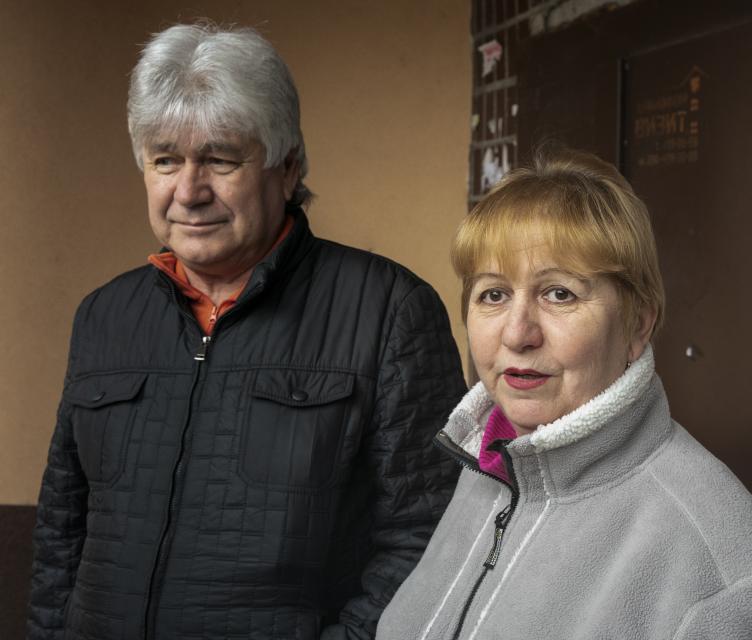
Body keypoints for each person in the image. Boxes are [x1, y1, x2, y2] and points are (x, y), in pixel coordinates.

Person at [28, 23, 465, 640]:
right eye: (165, 160)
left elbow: (430, 536)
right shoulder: (103, 315)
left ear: (287, 169)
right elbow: (60, 531)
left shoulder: (390, 309)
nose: (188, 191)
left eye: (219, 159)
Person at [377, 149, 752, 639]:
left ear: (638, 324)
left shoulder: (737, 576)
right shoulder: (489, 466)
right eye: (493, 294)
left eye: (560, 294)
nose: (517, 333)